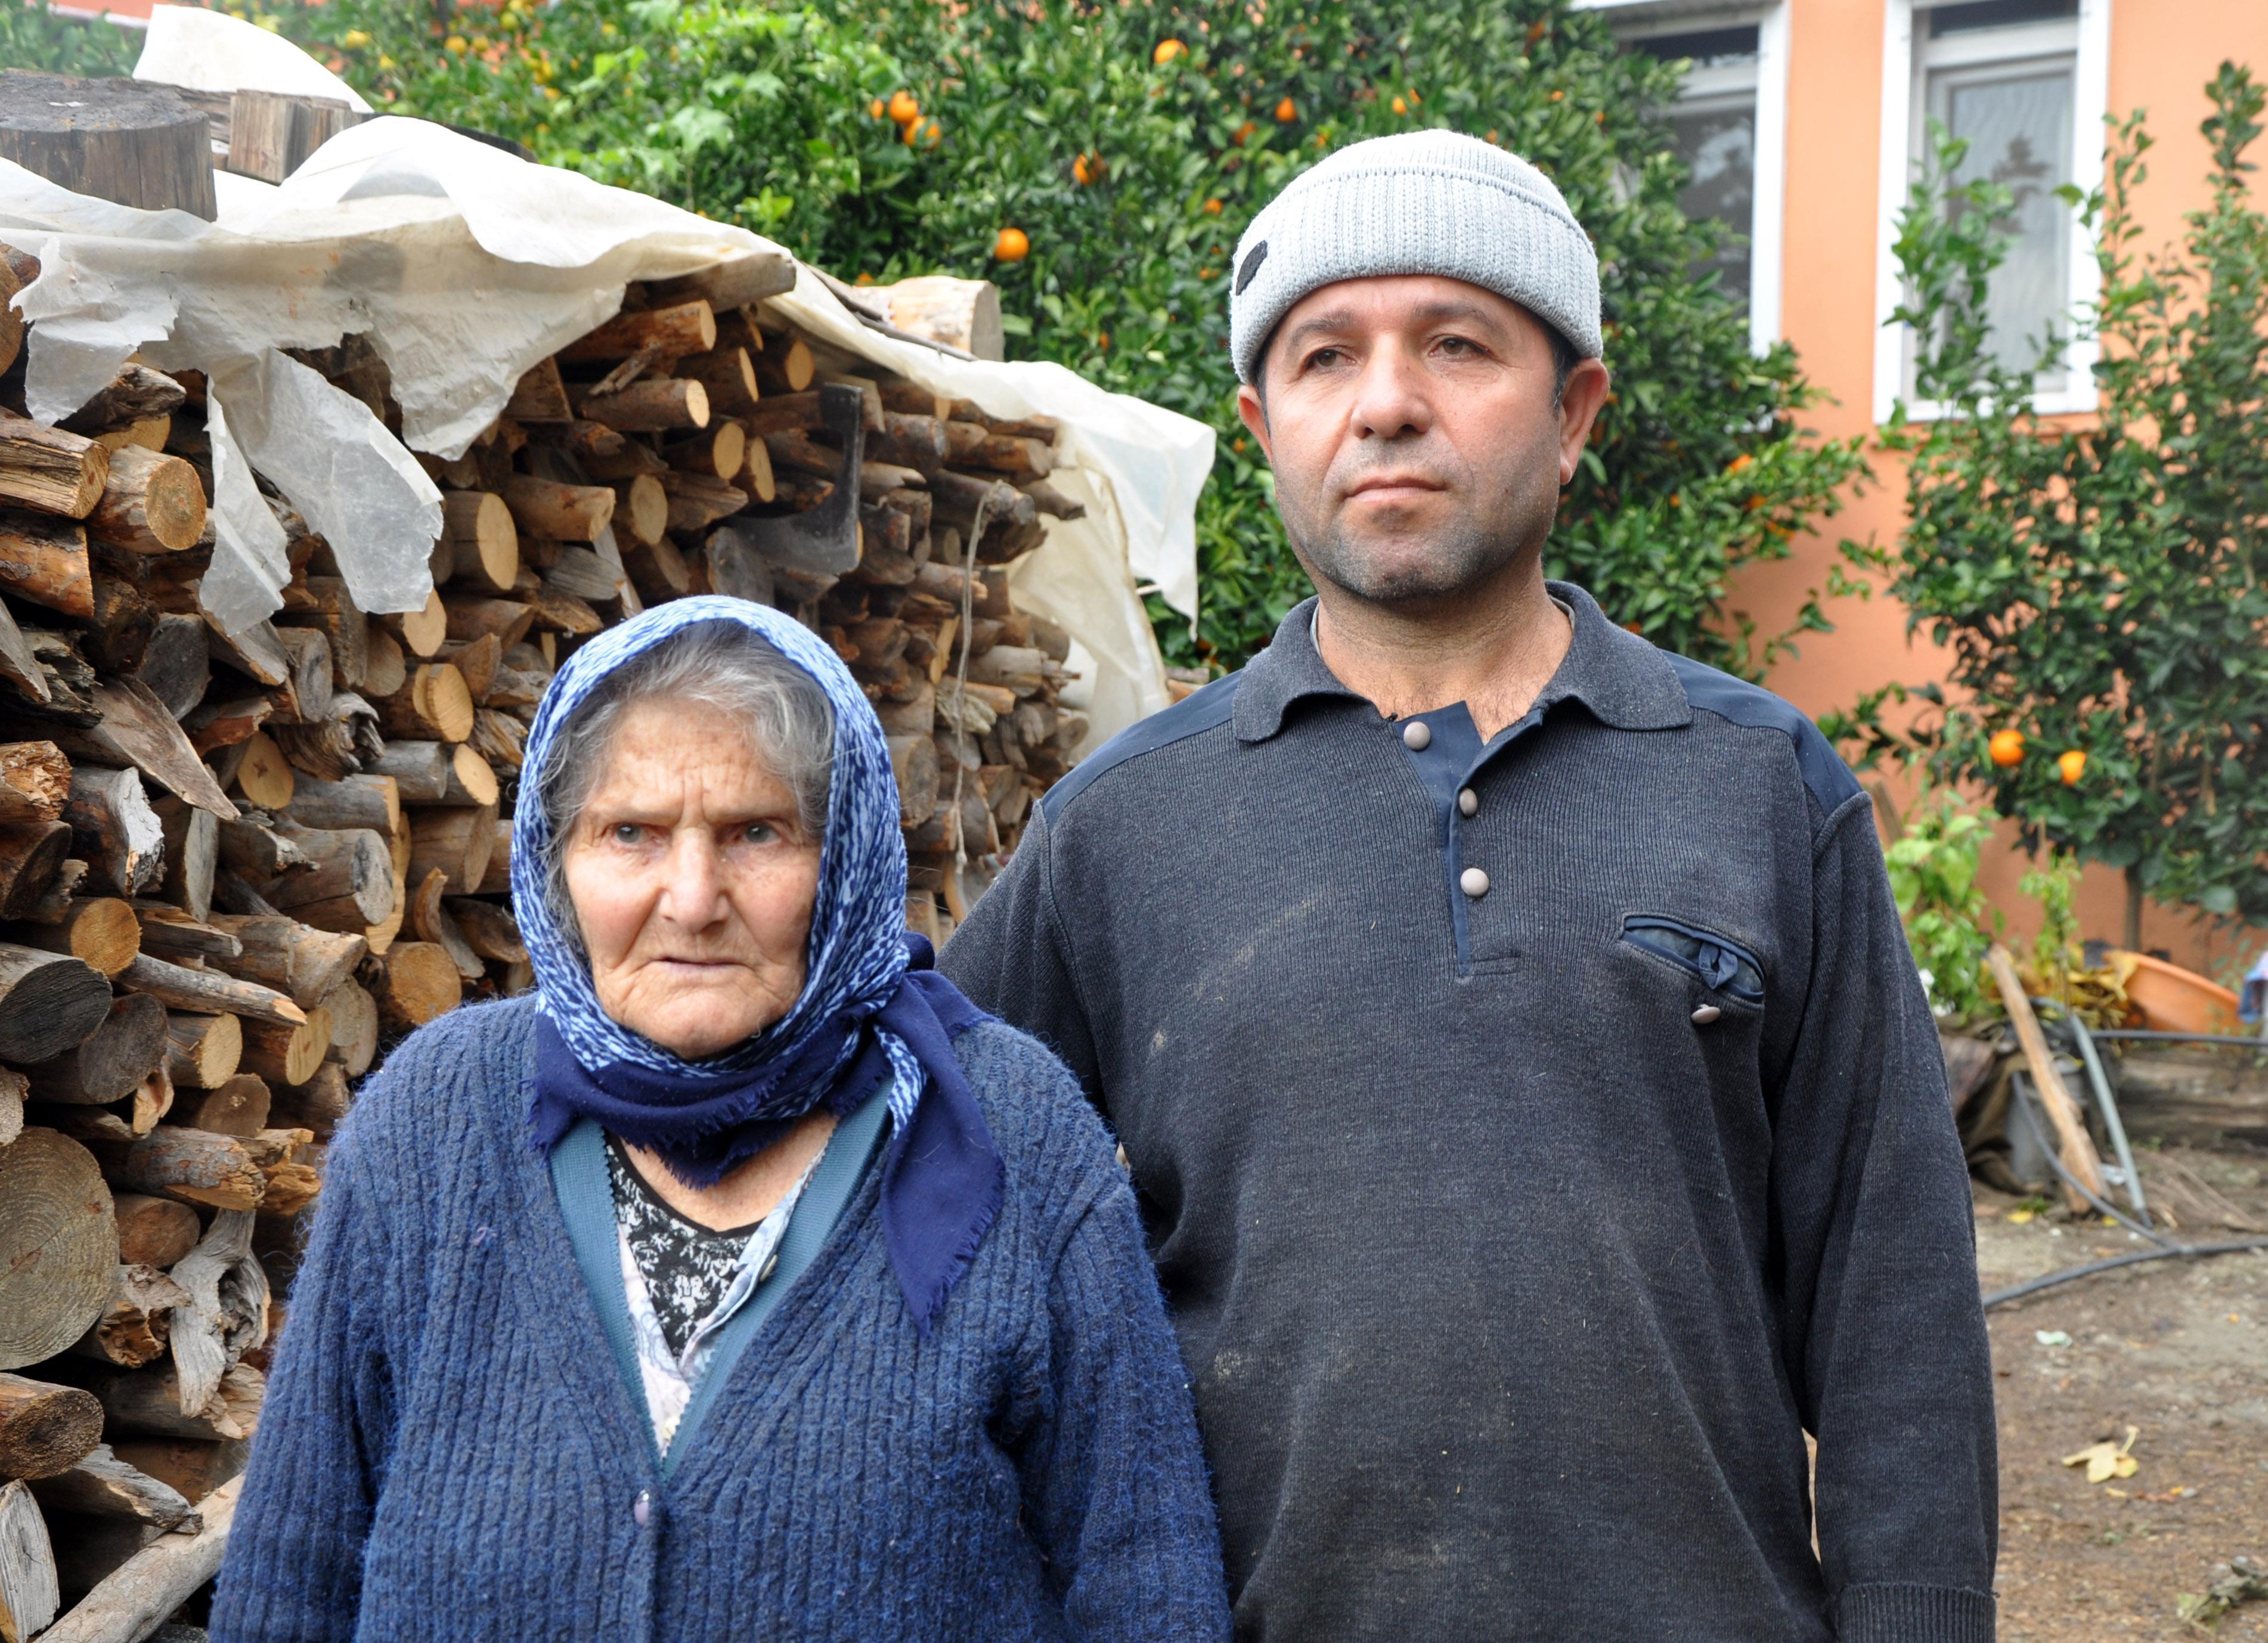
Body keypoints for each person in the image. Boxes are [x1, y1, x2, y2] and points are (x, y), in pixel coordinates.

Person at [943, 131, 1997, 1642]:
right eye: (1324, 359)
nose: (1385, 404)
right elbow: (923, 1203)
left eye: (1456, 343)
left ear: (1573, 415)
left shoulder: (1761, 788)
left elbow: (1892, 1296)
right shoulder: (1127, 827)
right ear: (1264, 427)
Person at [212, 598, 1233, 1643]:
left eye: (756, 832)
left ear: (844, 861)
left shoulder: (1011, 1128)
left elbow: (1143, 1575)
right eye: (631, 834)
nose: (692, 898)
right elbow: (294, 1573)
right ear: (556, 866)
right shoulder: (434, 1122)